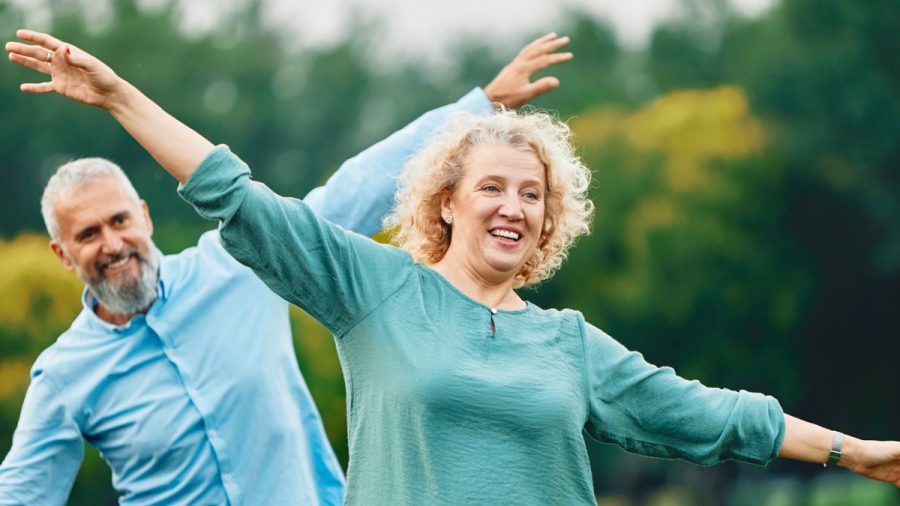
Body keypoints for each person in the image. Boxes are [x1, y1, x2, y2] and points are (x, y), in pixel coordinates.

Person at [8, 28, 900, 505]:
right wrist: (121, 97)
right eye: (494, 187)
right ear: (446, 199)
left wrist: (851, 452)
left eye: (533, 194)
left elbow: (704, 415)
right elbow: (235, 194)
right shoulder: (373, 289)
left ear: (550, 220)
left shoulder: (567, 343)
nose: (513, 205)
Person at [0, 30, 573, 505]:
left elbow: (349, 194)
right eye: (88, 234)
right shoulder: (65, 375)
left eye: (119, 221)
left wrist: (474, 111)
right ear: (63, 253)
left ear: (145, 217)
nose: (112, 243)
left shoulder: (234, 266)